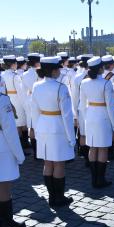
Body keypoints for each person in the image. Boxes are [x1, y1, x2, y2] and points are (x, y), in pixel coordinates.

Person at [31, 56, 75, 207]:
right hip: (58, 128)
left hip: (43, 125)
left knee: (48, 163)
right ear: (54, 70)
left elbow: (34, 111)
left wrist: (37, 131)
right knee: (59, 164)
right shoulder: (61, 88)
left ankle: (52, 197)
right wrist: (72, 138)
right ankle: (59, 197)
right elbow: (67, 116)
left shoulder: (37, 86)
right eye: (59, 68)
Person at [80, 56, 114, 188]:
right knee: (102, 148)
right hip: (103, 117)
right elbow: (111, 107)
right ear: (100, 68)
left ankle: (94, 179)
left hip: (90, 116)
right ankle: (100, 179)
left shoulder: (84, 82)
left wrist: (86, 118)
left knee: (92, 147)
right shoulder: (106, 83)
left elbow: (82, 105)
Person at [0, 76, 26, 227]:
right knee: (3, 186)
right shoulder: (2, 101)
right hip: (2, 148)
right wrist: (19, 155)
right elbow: (10, 131)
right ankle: (6, 222)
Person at [1, 55, 27, 151]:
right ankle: (21, 147)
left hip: (5, 100)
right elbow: (20, 92)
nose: (16, 65)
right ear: (12, 64)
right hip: (16, 100)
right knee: (19, 124)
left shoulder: (2, 75)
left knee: (12, 124)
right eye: (15, 63)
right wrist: (25, 105)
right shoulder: (15, 76)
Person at [72, 54, 93, 165]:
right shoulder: (95, 77)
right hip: (94, 107)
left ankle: (86, 157)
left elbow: (75, 96)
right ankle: (92, 156)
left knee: (83, 133)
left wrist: (76, 111)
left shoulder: (77, 77)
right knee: (92, 133)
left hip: (81, 107)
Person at [21, 53, 41, 156]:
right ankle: (40, 151)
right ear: (37, 62)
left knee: (32, 126)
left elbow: (23, 89)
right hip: (39, 101)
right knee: (39, 126)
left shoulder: (24, 74)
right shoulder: (40, 72)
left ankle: (35, 153)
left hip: (29, 100)